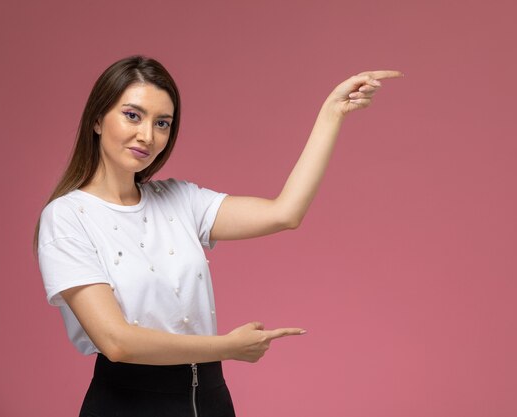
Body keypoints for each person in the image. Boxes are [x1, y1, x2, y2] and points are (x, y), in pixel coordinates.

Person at [34, 55, 403, 417]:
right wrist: (227, 347)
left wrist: (331, 113)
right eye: (133, 115)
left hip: (209, 398)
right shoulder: (67, 217)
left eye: (162, 123)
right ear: (98, 119)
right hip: (129, 402)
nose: (147, 135)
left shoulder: (180, 199)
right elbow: (116, 342)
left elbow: (285, 213)